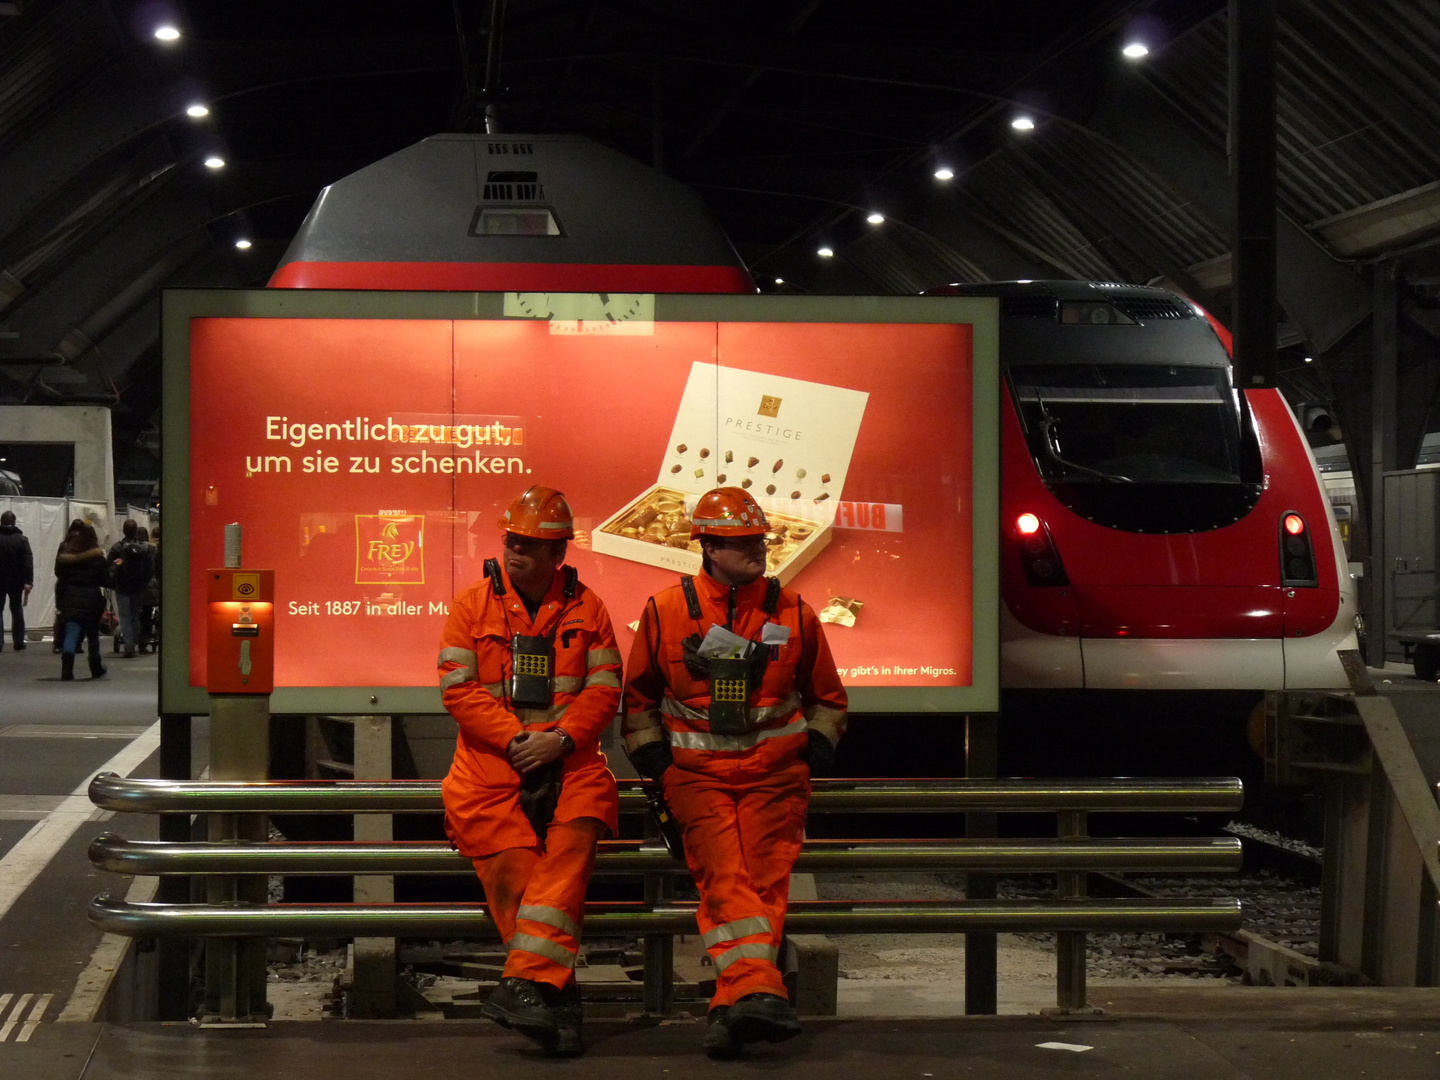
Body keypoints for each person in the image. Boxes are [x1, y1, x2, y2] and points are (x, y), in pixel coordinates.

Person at [621, 486, 848, 1059]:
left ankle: (733, 1008)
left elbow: (827, 696)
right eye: (745, 543)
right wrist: (650, 753)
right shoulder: (664, 610)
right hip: (696, 775)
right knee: (725, 875)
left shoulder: (794, 610)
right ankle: (757, 990)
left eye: (760, 541)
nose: (759, 551)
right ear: (709, 547)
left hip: (775, 775)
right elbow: (639, 698)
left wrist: (819, 739)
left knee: (763, 886)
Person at [436, 485, 621, 1057]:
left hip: (572, 764)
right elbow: (457, 688)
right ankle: (557, 999)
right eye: (511, 540)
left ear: (558, 552)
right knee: (517, 878)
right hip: (491, 769)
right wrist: (519, 739)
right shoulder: (472, 605)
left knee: (569, 856)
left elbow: (604, 688)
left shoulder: (588, 608)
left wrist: (559, 740)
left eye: (529, 544)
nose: (515, 551)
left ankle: (525, 989)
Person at [55, 521, 107, 680]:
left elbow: (58, 573)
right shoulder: (97, 556)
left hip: (70, 595)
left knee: (71, 632)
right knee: (92, 634)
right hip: (92, 598)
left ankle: (67, 669)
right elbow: (104, 579)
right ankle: (95, 667)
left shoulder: (64, 555)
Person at [107, 519, 155, 658]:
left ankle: (128, 645)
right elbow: (149, 567)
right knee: (135, 616)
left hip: (122, 587)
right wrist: (144, 582)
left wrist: (120, 562)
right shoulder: (144, 548)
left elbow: (112, 564)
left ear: (123, 530)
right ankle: (134, 643)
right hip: (138, 587)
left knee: (125, 616)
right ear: (136, 531)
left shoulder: (118, 548)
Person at [0, 510, 34, 651]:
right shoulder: (22, 540)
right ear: (14, 522)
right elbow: (28, 561)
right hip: (16, 580)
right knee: (16, 609)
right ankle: (19, 641)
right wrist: (29, 581)